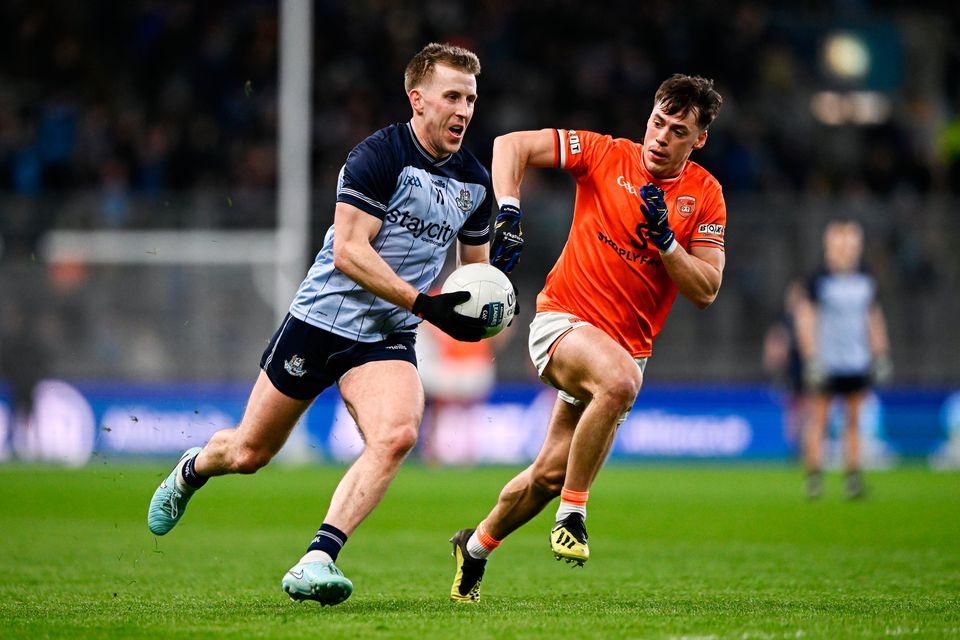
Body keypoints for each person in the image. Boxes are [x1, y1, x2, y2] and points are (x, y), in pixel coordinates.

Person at [147, 42, 494, 606]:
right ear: (418, 100)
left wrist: (489, 305)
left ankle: (317, 557)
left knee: (398, 434)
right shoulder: (377, 157)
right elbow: (349, 254)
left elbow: (476, 278)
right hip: (322, 319)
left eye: (471, 99)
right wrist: (426, 305)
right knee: (248, 454)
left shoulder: (474, 183)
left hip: (387, 334)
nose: (463, 110)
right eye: (452, 96)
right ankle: (192, 469)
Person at [449, 74, 726, 602]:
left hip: (626, 350)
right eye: (657, 123)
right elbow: (511, 145)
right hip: (563, 322)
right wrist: (508, 208)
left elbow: (706, 290)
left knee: (549, 473)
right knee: (619, 385)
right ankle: (573, 516)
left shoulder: (706, 196)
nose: (661, 137)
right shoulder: (604, 154)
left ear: (699, 139)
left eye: (678, 131)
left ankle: (475, 547)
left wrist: (667, 242)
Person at [795, 219, 892, 500]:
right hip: (827, 361)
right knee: (820, 419)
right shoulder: (818, 280)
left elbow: (873, 317)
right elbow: (806, 319)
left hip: (856, 360)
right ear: (829, 246)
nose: (846, 250)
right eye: (841, 244)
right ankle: (814, 478)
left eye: (851, 244)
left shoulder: (866, 279)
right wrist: (810, 357)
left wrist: (881, 352)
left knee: (854, 420)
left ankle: (853, 477)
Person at [762, 279, 809, 450]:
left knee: (807, 409)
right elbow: (775, 343)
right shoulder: (784, 321)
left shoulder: (810, 318)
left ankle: (806, 444)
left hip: (807, 370)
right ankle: (794, 445)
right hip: (793, 373)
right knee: (794, 409)